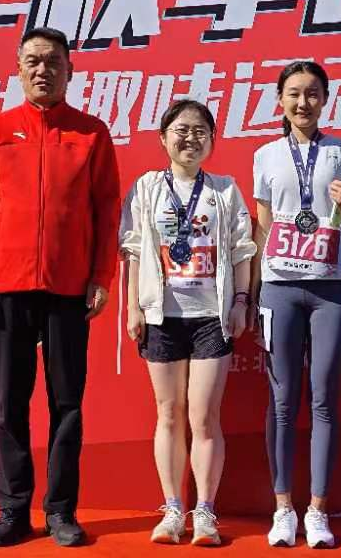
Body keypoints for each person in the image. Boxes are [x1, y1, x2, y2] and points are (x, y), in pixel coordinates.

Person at [0, 27, 121, 547]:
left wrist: (101, 277)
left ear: (70, 70)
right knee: (9, 403)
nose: (42, 70)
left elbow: (107, 210)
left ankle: (60, 511)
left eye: (53, 61)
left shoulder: (91, 133)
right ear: (18, 69)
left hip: (69, 285)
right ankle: (12, 509)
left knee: (66, 402)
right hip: (8, 284)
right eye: (32, 60)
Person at [120, 99, 256, 546]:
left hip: (210, 317)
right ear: (163, 139)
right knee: (168, 413)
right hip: (162, 315)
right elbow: (133, 251)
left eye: (200, 131)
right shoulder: (146, 188)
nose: (190, 139)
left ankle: (205, 511)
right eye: (181, 130)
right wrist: (133, 308)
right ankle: (173, 508)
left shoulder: (224, 190)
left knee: (204, 416)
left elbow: (241, 250)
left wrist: (241, 301)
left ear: (212, 141)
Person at [249, 61, 341, 548]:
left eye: (312, 93)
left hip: (331, 286)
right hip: (279, 287)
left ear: (325, 100)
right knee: (281, 400)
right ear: (280, 100)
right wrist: (253, 292)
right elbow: (262, 227)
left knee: (323, 398)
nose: (303, 102)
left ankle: (317, 510)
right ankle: (283, 509)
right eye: (294, 93)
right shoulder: (265, 155)